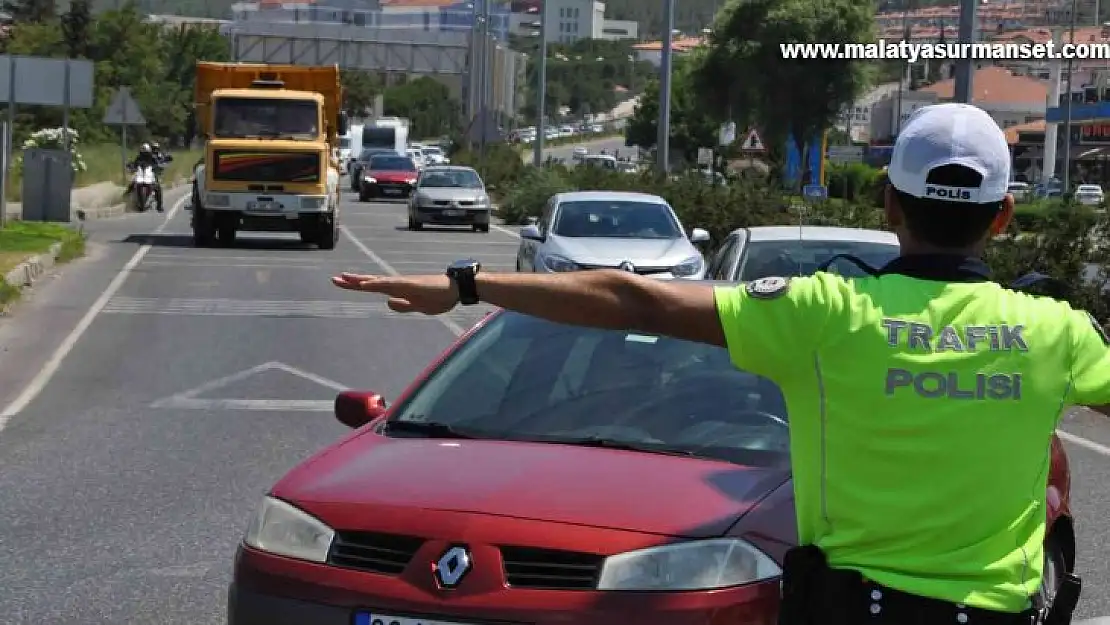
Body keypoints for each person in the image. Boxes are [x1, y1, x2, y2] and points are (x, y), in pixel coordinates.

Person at [332, 103, 1103, 624]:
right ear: (1003, 215)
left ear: (887, 205)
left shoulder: (826, 313)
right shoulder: (1057, 332)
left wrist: (465, 284)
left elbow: (635, 300)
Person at [127, 143, 164, 212]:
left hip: (150, 174)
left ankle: (159, 206)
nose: (144, 155)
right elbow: (135, 164)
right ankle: (126, 198)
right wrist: (131, 166)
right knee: (132, 183)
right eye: (143, 153)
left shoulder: (152, 157)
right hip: (140, 174)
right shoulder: (138, 157)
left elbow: (157, 164)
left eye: (146, 153)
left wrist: (158, 168)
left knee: (157, 187)